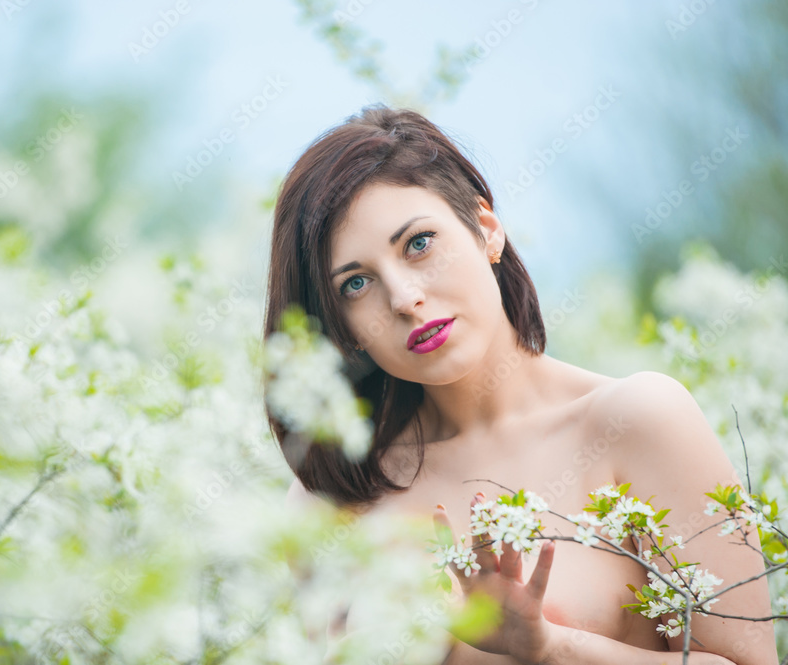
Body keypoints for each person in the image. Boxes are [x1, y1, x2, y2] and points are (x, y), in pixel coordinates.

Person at [262, 104, 778, 664]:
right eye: (356, 283)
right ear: (341, 328)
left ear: (486, 229)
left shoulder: (637, 420)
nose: (405, 298)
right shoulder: (332, 496)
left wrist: (551, 647)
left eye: (418, 244)